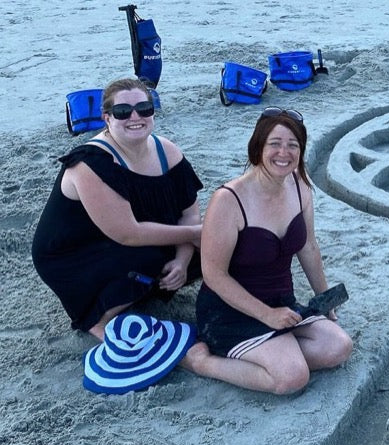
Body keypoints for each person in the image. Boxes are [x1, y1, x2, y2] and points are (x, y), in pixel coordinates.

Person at [182, 107, 352, 394]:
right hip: (230, 311)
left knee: (338, 347)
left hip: (282, 302)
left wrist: (325, 299)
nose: (283, 153)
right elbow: (213, 275)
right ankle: (202, 362)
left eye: (293, 145)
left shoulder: (300, 185)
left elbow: (308, 246)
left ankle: (277, 352)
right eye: (275, 143)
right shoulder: (228, 200)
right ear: (258, 147)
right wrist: (266, 315)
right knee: (292, 378)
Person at [31, 78, 203, 341]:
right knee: (151, 258)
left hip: (135, 235)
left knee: (213, 247)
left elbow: (189, 213)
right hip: (76, 253)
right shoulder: (91, 162)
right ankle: (99, 320)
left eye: (144, 108)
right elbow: (127, 234)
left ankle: (145, 290)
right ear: (107, 118)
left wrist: (182, 259)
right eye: (123, 111)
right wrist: (197, 233)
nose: (135, 117)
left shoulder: (166, 151)